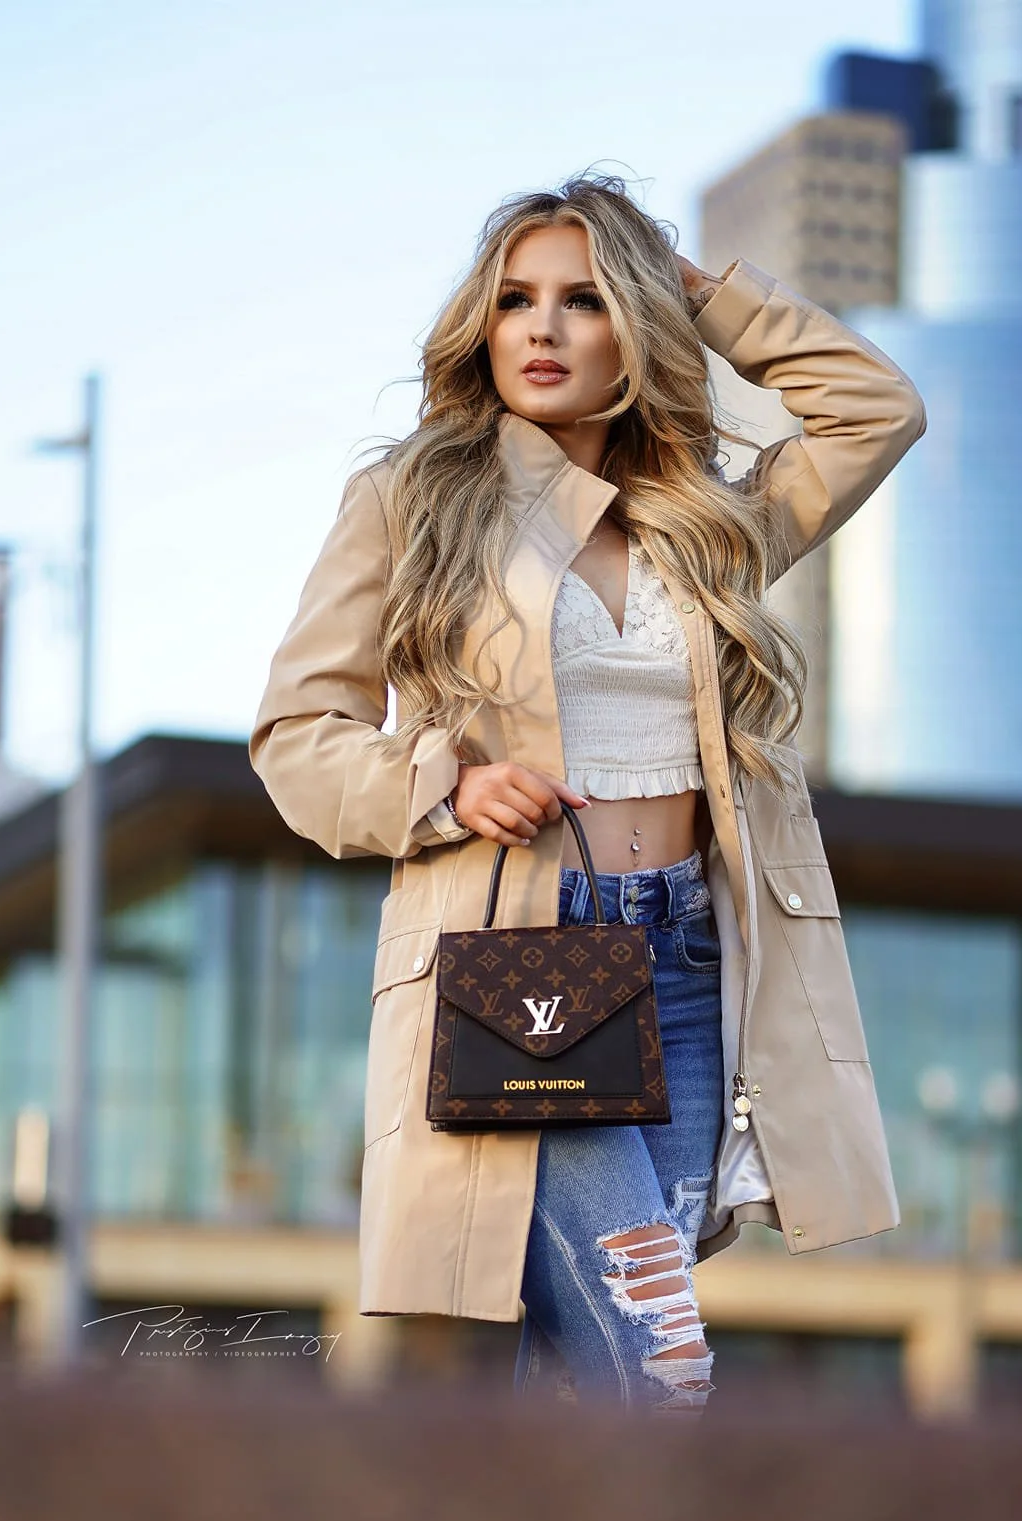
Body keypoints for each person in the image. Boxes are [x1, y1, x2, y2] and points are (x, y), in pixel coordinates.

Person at [250, 173, 925, 1414]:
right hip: (525, 960)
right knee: (658, 1355)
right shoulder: (411, 500)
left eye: (586, 298)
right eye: (515, 300)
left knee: (585, 1382)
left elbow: (877, 409)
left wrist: (705, 294)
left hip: (692, 958)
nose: (543, 328)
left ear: (636, 323)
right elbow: (297, 736)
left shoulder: (706, 520)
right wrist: (443, 785)